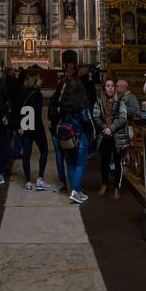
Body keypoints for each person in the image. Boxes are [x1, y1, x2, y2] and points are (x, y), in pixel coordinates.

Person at [55, 68, 95, 204]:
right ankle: (75, 191)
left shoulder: (63, 102)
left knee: (70, 163)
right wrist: (90, 134)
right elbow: (86, 120)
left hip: (66, 134)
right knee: (81, 163)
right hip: (79, 135)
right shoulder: (82, 103)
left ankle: (75, 190)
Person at [92, 78, 129, 199]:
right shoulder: (99, 101)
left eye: (112, 86)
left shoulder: (121, 101)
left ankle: (116, 188)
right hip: (104, 135)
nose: (110, 88)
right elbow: (95, 116)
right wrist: (104, 128)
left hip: (117, 135)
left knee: (118, 162)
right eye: (107, 86)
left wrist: (111, 128)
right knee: (105, 161)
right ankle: (104, 183)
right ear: (104, 88)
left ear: (115, 88)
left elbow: (123, 117)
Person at [19, 73, 50, 191]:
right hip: (36, 127)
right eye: (39, 80)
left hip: (25, 126)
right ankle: (40, 179)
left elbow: (19, 110)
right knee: (44, 151)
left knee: (26, 155)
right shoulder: (38, 95)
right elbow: (36, 113)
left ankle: (27, 182)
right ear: (34, 81)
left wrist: (21, 126)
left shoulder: (22, 93)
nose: (41, 82)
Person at [48, 64, 75, 192]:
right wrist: (57, 111)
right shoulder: (55, 97)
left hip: (68, 132)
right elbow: (49, 114)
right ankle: (62, 182)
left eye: (66, 87)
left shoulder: (72, 99)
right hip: (56, 130)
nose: (64, 89)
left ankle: (73, 183)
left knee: (69, 157)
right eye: (63, 87)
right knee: (59, 157)